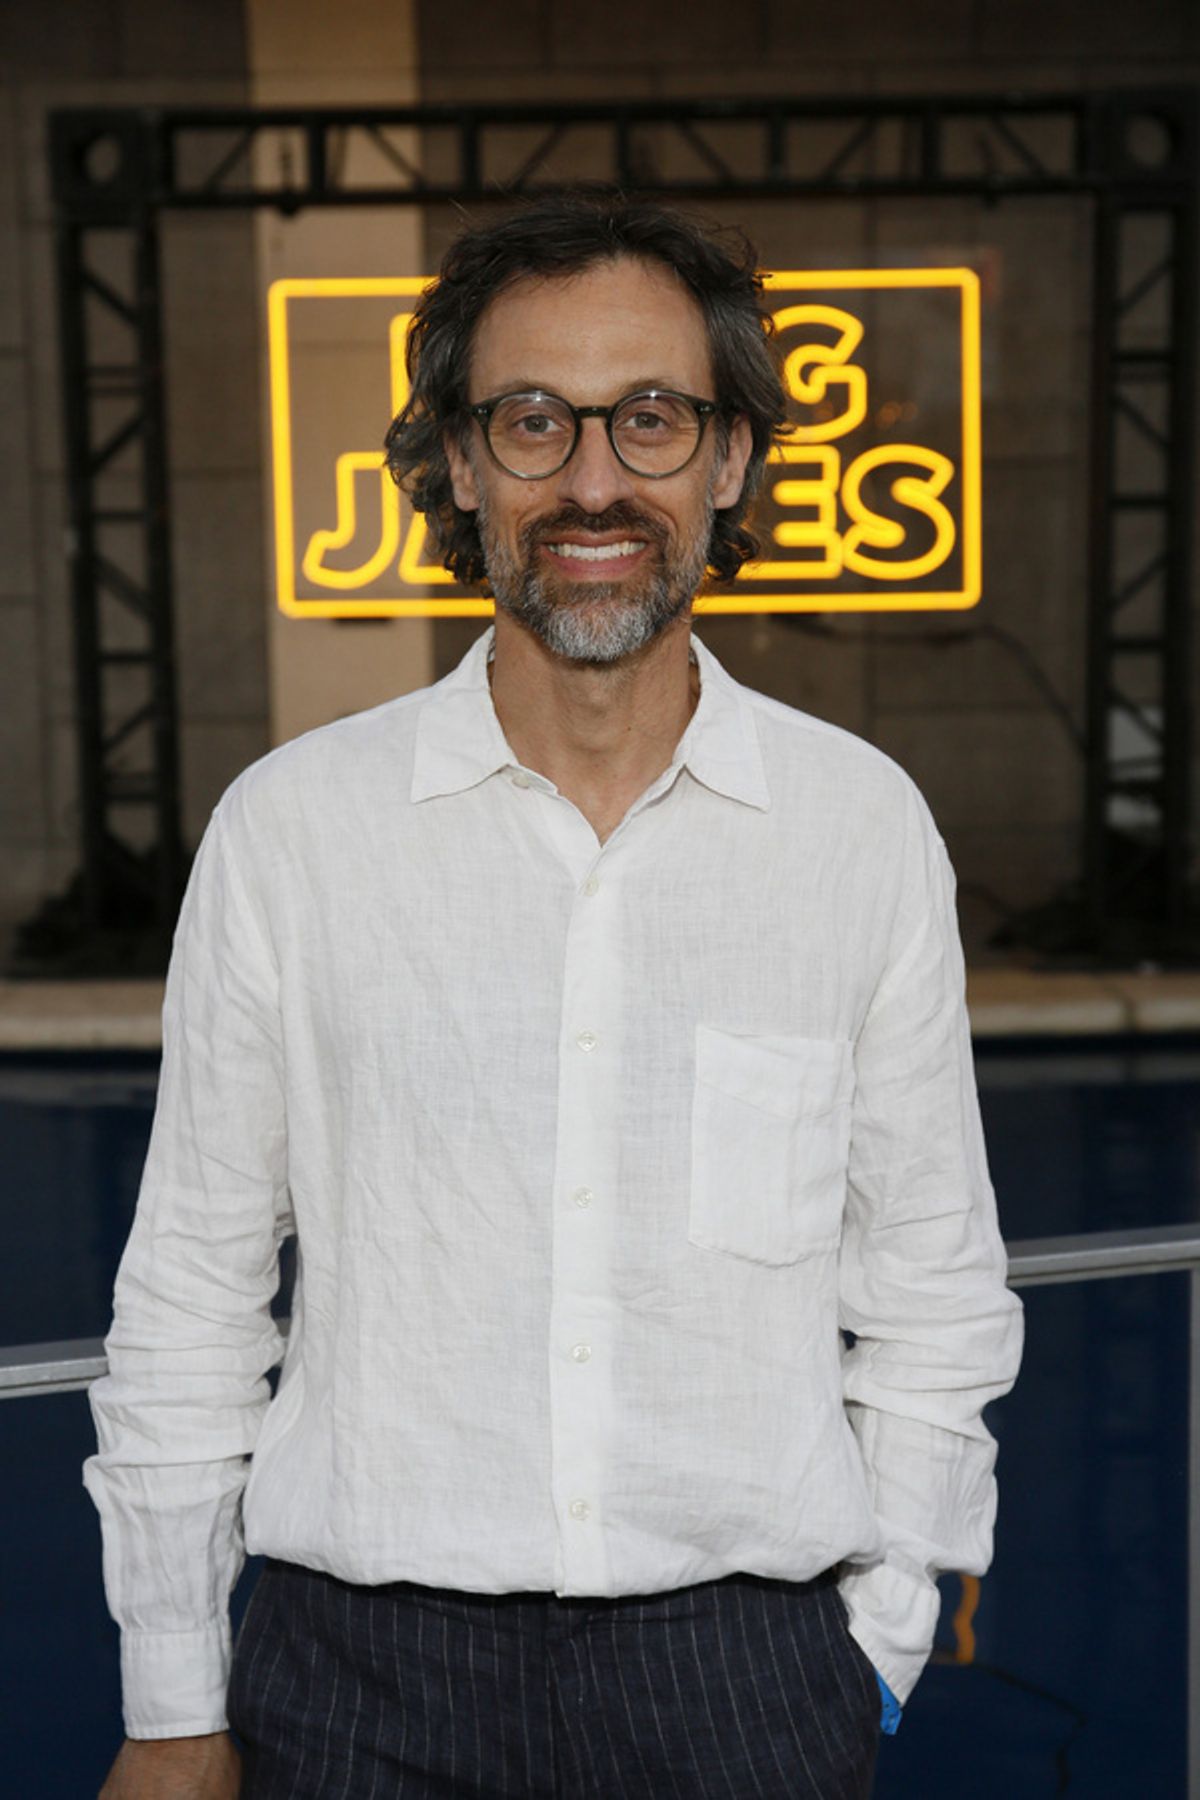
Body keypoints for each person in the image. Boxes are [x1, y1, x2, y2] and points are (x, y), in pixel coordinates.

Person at [88, 192, 1023, 1799]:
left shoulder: (857, 829)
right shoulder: (295, 833)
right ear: (458, 465)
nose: (595, 478)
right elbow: (191, 1292)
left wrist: (875, 1639)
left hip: (749, 1686)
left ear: (729, 461)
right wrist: (173, 1699)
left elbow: (931, 1286)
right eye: (534, 421)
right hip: (356, 1684)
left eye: (650, 419)